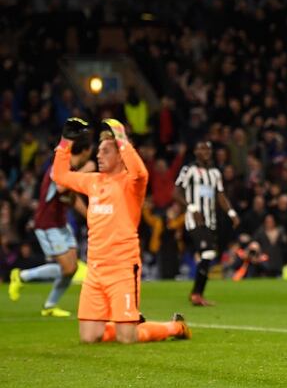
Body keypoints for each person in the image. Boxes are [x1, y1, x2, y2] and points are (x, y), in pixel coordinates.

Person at [51, 118, 190, 343]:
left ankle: (175, 327)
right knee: (89, 337)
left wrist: (122, 139)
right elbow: (59, 176)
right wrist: (65, 143)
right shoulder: (93, 181)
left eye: (106, 151)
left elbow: (141, 173)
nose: (98, 155)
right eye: (99, 151)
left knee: (127, 338)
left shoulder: (130, 184)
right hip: (95, 270)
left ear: (119, 155)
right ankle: (126, 319)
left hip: (122, 268)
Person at [9, 120, 94, 316]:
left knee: (71, 269)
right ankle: (21, 276)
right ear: (86, 151)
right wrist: (86, 172)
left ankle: (49, 306)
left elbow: (71, 198)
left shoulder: (72, 171)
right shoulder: (60, 166)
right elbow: (63, 186)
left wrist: (91, 217)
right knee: (67, 267)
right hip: (46, 224)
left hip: (60, 223)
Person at [174, 140, 240, 306]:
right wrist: (191, 207)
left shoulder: (215, 173)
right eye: (201, 148)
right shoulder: (189, 170)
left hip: (210, 220)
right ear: (195, 152)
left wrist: (231, 212)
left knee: (208, 254)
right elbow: (176, 191)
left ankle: (197, 294)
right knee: (208, 252)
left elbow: (220, 195)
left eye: (208, 149)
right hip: (194, 219)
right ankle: (197, 294)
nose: (205, 151)